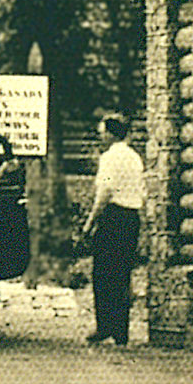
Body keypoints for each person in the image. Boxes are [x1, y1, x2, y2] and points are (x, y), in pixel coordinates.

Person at [82, 114, 143, 345]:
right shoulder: (135, 157)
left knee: (104, 273)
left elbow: (105, 192)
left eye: (102, 132)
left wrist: (90, 222)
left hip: (114, 217)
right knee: (123, 273)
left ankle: (105, 326)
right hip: (131, 217)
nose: (100, 136)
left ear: (110, 133)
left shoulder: (110, 157)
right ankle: (121, 331)